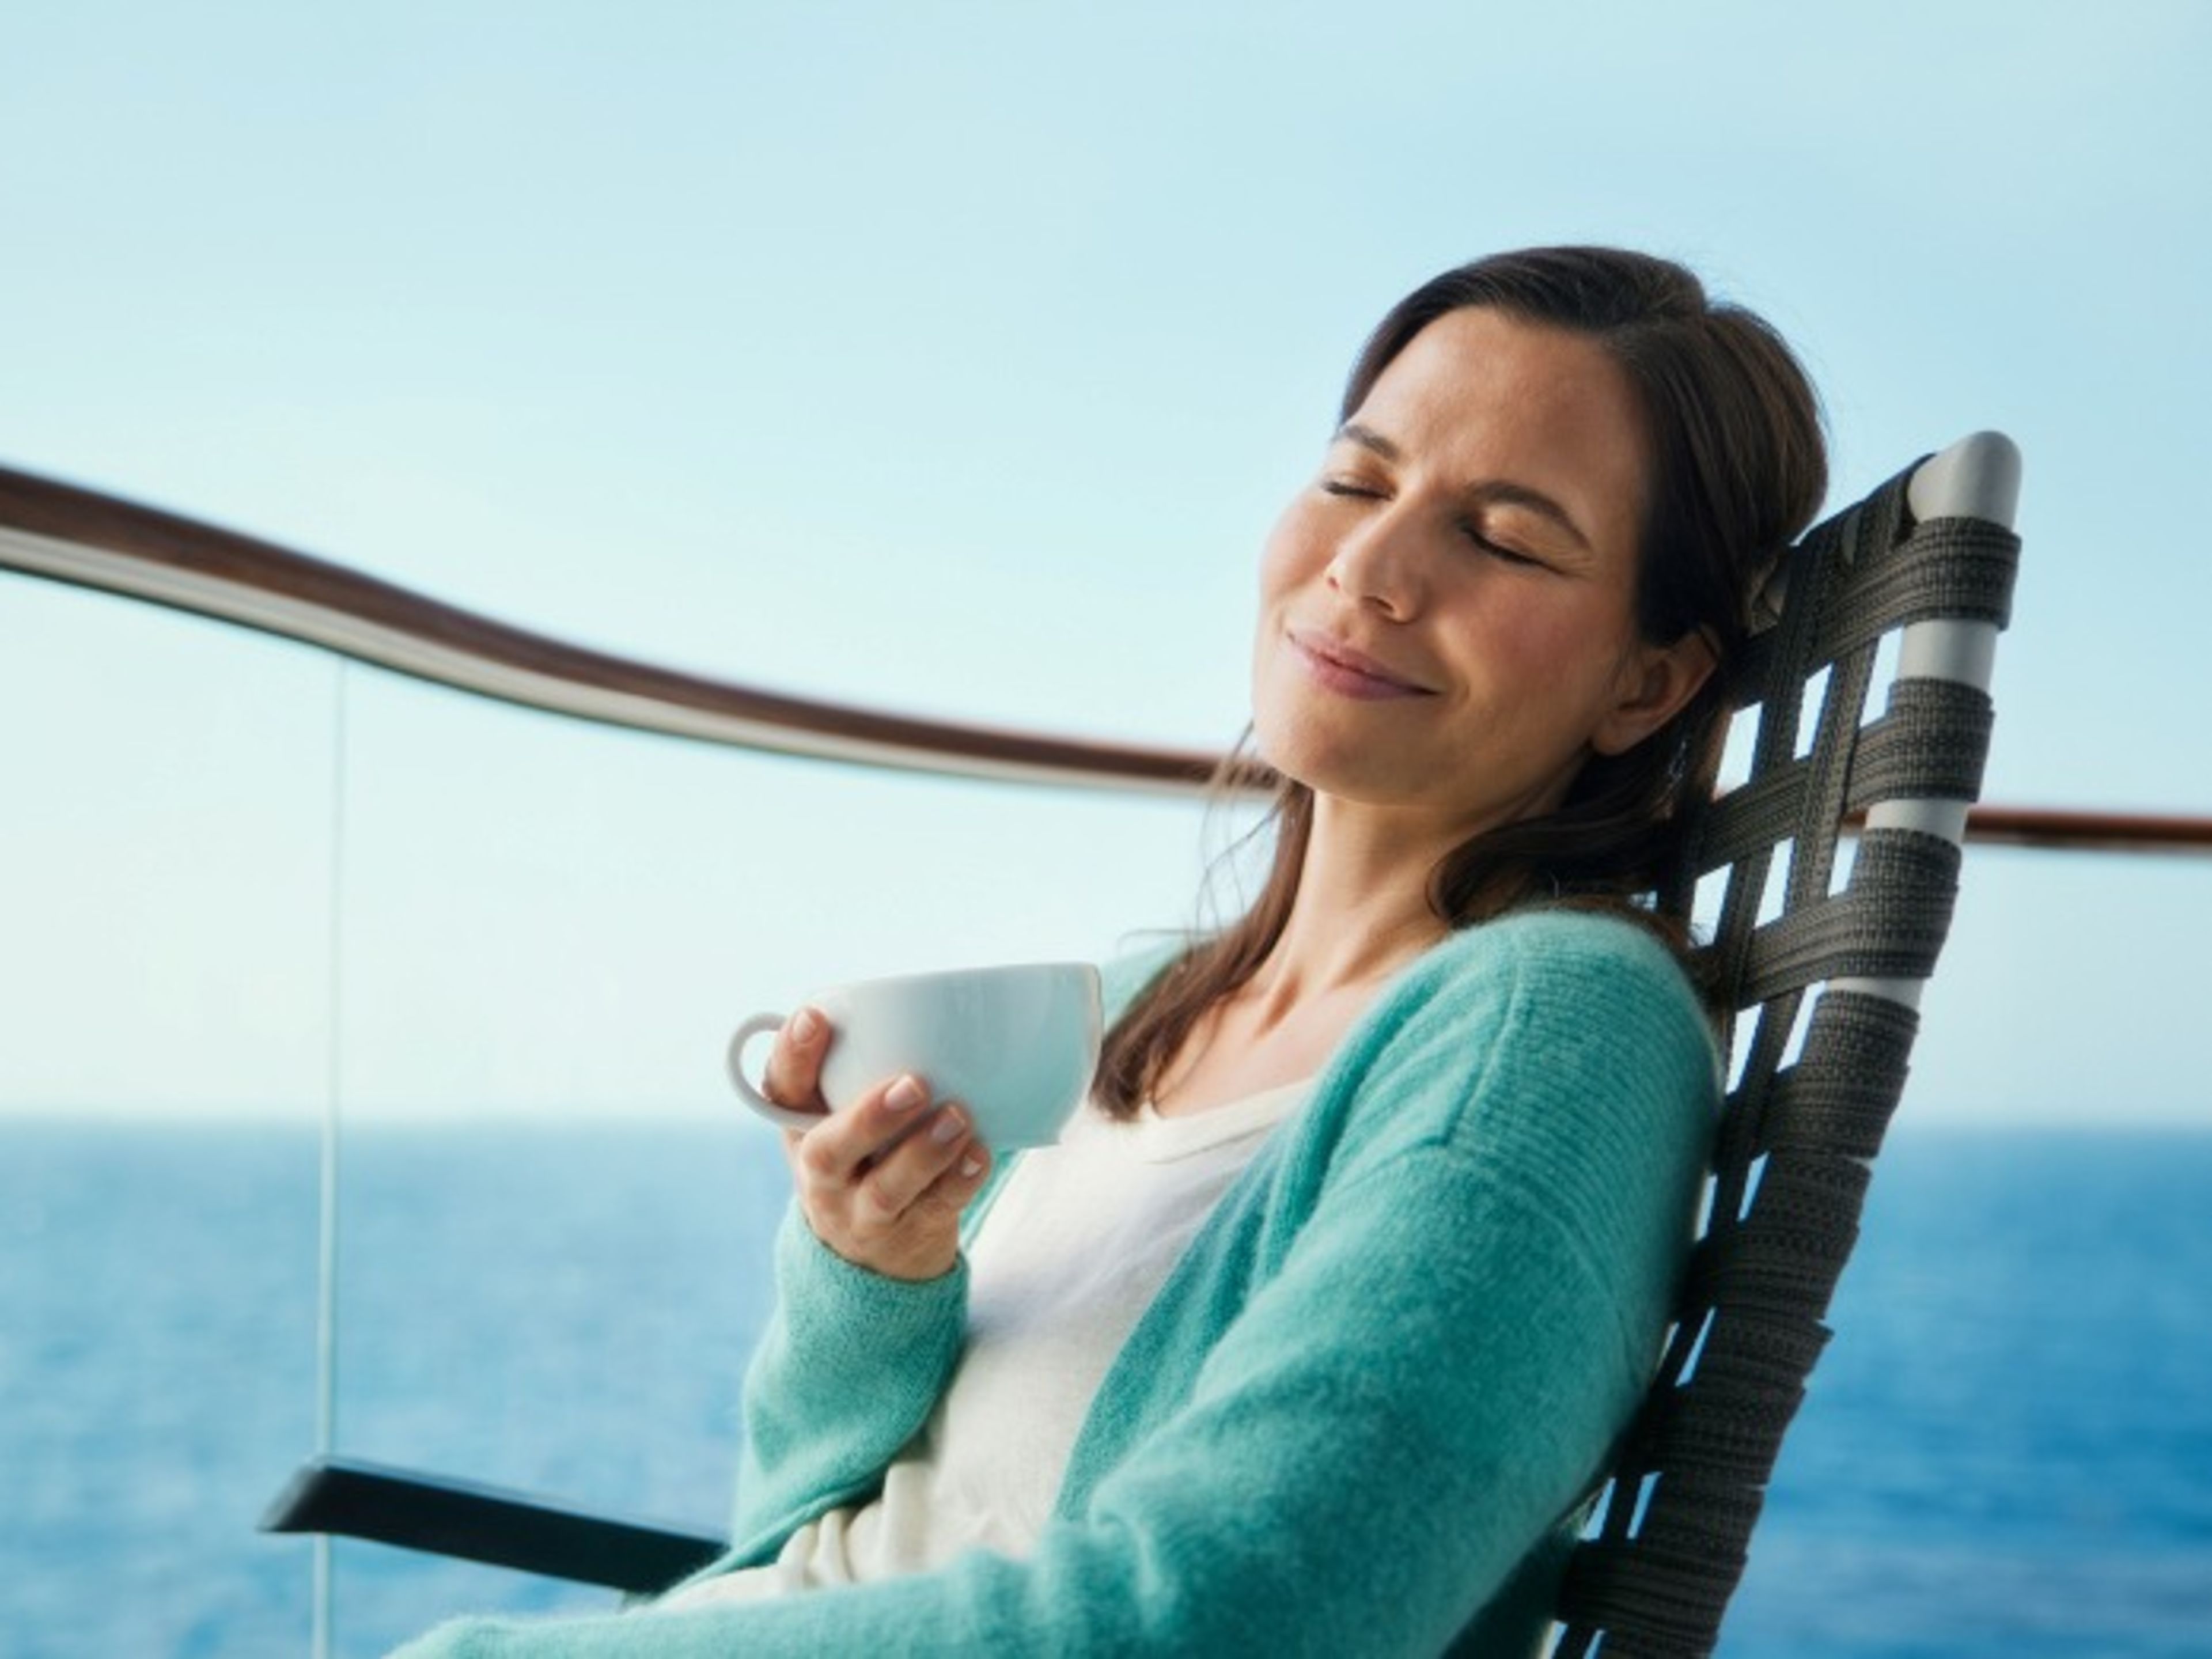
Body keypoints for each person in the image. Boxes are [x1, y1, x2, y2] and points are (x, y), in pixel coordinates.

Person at [392, 245, 1827, 1658]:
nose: (1371, 568)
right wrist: (874, 1271)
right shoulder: (1145, 1005)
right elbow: (798, 1528)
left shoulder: (1557, 1028)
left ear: (1650, 681)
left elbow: (1232, 1620)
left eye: (1506, 539)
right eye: (1356, 479)